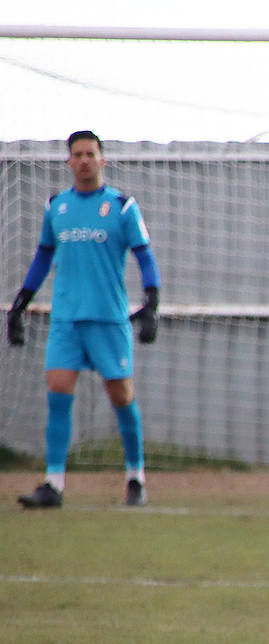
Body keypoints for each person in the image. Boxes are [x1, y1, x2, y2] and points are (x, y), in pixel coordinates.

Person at [7, 130, 162, 509]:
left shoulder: (123, 207)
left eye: (90, 153)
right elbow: (43, 256)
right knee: (58, 392)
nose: (84, 160)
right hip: (66, 320)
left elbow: (144, 256)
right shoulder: (56, 207)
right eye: (77, 154)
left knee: (121, 396)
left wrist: (152, 303)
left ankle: (135, 477)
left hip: (108, 319)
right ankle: (53, 484)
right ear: (69, 162)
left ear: (102, 160)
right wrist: (20, 303)